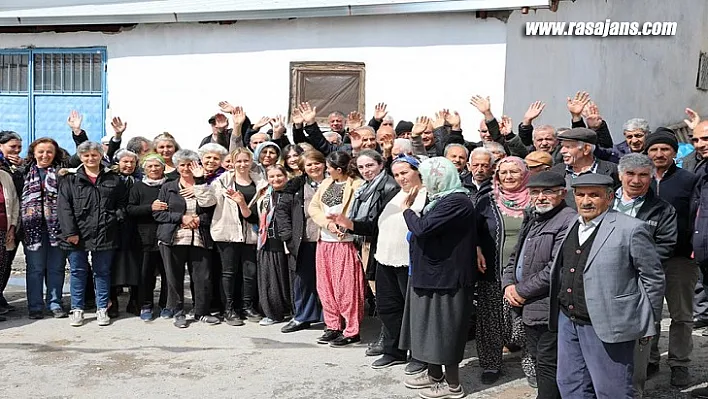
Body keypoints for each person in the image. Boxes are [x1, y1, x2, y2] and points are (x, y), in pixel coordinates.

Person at [550, 173, 664, 399]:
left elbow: (653, 278)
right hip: (568, 320)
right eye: (580, 195)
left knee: (612, 390)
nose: (586, 201)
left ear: (610, 197)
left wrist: (648, 322)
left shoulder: (631, 229)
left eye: (594, 195)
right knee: (570, 384)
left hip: (609, 323)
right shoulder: (573, 223)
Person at [399, 157, 477, 399]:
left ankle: (453, 386)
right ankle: (435, 376)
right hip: (430, 274)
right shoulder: (440, 200)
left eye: (424, 178)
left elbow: (422, 228)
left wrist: (408, 210)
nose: (422, 183)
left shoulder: (457, 201)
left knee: (445, 330)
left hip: (447, 277)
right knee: (427, 329)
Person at [502, 171, 576, 399]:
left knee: (548, 361)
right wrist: (508, 285)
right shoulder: (533, 217)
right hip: (528, 303)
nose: (541, 197)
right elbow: (515, 257)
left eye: (548, 192)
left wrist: (521, 291)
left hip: (548, 304)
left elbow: (557, 268)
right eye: (535, 192)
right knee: (539, 358)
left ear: (562, 193)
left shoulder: (568, 219)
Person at [611, 153, 678, 397]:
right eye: (630, 174)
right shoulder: (605, 202)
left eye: (643, 175)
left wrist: (631, 261)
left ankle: (634, 388)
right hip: (606, 282)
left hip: (640, 282)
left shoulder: (662, 209)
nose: (636, 180)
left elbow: (666, 245)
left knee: (640, 337)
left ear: (651, 178)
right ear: (620, 175)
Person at [645, 130, 700, 387]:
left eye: (665, 149)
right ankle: (650, 358)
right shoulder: (639, 179)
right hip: (646, 259)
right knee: (648, 312)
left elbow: (698, 215)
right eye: (654, 149)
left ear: (674, 153)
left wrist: (694, 247)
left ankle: (679, 363)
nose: (659, 154)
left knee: (681, 314)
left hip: (680, 258)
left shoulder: (688, 180)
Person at [476, 156, 534, 385]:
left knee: (528, 322)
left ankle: (532, 366)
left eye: (514, 172)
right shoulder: (487, 200)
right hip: (492, 270)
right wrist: (476, 247)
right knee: (490, 321)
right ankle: (491, 364)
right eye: (504, 172)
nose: (508, 176)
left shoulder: (536, 199)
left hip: (528, 273)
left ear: (524, 174)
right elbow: (473, 229)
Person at [58, 141, 128, 327]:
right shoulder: (70, 180)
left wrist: (115, 218)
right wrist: (70, 232)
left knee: (102, 272)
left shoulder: (113, 178)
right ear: (80, 157)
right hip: (77, 235)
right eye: (86, 155)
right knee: (78, 272)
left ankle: (102, 309)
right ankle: (77, 309)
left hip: (105, 232)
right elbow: (64, 209)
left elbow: (121, 203)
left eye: (94, 155)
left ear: (100, 156)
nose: (90, 158)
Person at [193, 147, 264, 326]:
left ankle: (247, 306)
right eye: (238, 161)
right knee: (229, 272)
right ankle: (229, 309)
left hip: (252, 232)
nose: (242, 164)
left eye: (245, 161)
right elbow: (206, 201)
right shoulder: (222, 181)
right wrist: (200, 181)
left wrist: (242, 203)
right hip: (227, 231)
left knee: (250, 272)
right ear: (232, 163)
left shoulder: (261, 182)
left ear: (251, 162)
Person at [154, 149, 219, 328]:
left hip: (199, 236)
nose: (185, 168)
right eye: (181, 165)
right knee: (174, 277)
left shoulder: (205, 185)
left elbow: (212, 211)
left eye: (189, 164)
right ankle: (178, 312)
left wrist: (198, 219)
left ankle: (201, 312)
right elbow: (159, 214)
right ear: (176, 166)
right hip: (174, 237)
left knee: (202, 277)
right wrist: (181, 218)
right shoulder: (168, 186)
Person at [308, 151, 364, 347]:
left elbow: (358, 212)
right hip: (325, 241)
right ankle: (332, 326)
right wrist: (327, 224)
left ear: (338, 169)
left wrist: (342, 226)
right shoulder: (325, 183)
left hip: (345, 242)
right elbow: (313, 208)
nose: (326, 170)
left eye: (329, 167)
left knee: (346, 288)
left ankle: (352, 330)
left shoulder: (357, 185)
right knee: (326, 287)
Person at [276, 151, 326, 333]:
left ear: (324, 164)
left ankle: (331, 318)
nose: (314, 167)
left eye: (317, 163)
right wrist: (287, 235)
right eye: (309, 165)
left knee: (328, 281)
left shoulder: (334, 183)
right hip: (304, 240)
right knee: (303, 280)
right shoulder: (296, 186)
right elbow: (281, 211)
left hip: (330, 240)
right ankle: (302, 317)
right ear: (303, 168)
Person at [22, 138, 67, 319]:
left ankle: (55, 303)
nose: (45, 155)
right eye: (41, 151)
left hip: (57, 228)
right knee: (35, 269)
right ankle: (35, 306)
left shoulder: (62, 174)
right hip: (32, 229)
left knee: (56, 268)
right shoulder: (23, 173)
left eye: (49, 152)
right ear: (33, 153)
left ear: (55, 154)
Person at [127, 153, 170, 321]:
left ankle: (166, 305)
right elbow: (130, 209)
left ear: (163, 167)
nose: (153, 169)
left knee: (168, 273)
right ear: (144, 169)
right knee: (145, 274)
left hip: (167, 235)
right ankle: (146, 305)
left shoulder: (170, 185)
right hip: (145, 237)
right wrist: (150, 207)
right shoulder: (138, 187)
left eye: (157, 166)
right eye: (150, 166)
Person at [251, 164, 292, 326]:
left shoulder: (292, 194)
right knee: (270, 280)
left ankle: (290, 310)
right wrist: (241, 203)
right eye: (272, 177)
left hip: (287, 243)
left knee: (287, 279)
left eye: (279, 176)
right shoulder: (264, 195)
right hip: (267, 242)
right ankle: (273, 313)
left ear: (286, 176)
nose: (276, 179)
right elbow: (253, 216)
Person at [109, 149, 142, 317]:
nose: (128, 165)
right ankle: (112, 300)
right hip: (115, 228)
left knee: (136, 265)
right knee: (114, 265)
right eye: (125, 162)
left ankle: (135, 300)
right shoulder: (111, 179)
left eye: (132, 162)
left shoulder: (141, 180)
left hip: (137, 228)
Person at [550, 127, 619, 208]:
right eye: (562, 146)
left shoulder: (612, 170)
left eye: (568, 147)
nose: (562, 151)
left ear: (586, 149)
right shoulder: (556, 171)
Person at [0, 131, 23, 314]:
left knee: (6, 262)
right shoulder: (3, 167)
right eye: (12, 147)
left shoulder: (18, 167)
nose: (16, 151)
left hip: (14, 222)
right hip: (6, 219)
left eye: (19, 147)